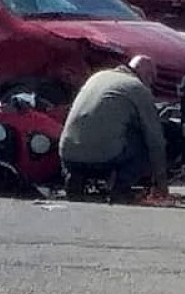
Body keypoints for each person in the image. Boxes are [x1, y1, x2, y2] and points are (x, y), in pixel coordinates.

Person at [58, 54, 175, 206]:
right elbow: (156, 141)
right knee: (144, 142)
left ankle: (76, 180)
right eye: (152, 80)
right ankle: (121, 190)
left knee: (99, 134)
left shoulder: (98, 76)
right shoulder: (137, 87)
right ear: (148, 76)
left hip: (68, 153)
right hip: (103, 157)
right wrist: (161, 184)